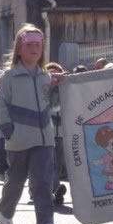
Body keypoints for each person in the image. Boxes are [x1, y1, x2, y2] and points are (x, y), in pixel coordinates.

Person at [0, 24, 62, 224]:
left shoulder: (46, 77)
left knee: (43, 182)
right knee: (15, 181)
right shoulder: (8, 77)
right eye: (29, 45)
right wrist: (7, 129)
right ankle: (5, 211)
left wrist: (57, 89)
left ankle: (46, 223)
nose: (34, 49)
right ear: (19, 49)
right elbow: (0, 105)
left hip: (44, 140)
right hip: (18, 140)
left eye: (38, 45)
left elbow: (54, 106)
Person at [45, 62, 68, 205]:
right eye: (51, 74)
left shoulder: (64, 90)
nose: (54, 76)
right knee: (49, 163)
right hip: (47, 132)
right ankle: (53, 190)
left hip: (62, 133)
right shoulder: (43, 89)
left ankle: (54, 189)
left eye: (56, 73)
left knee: (58, 164)